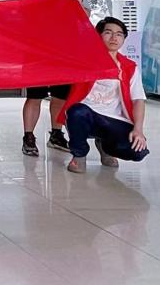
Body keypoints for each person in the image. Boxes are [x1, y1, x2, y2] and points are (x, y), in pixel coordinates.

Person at [60, 17, 150, 173]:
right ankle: (79, 155)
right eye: (108, 33)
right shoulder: (84, 61)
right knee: (76, 112)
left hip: (113, 120)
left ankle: (105, 147)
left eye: (119, 34)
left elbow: (138, 100)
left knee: (138, 151)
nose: (114, 38)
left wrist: (138, 129)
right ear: (99, 36)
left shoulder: (129, 67)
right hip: (87, 115)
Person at [18, 0, 81, 156]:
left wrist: (78, 4)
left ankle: (56, 134)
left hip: (65, 50)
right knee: (34, 95)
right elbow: (26, 15)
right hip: (36, 50)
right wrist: (55, 0)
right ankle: (28, 137)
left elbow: (83, 16)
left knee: (60, 95)